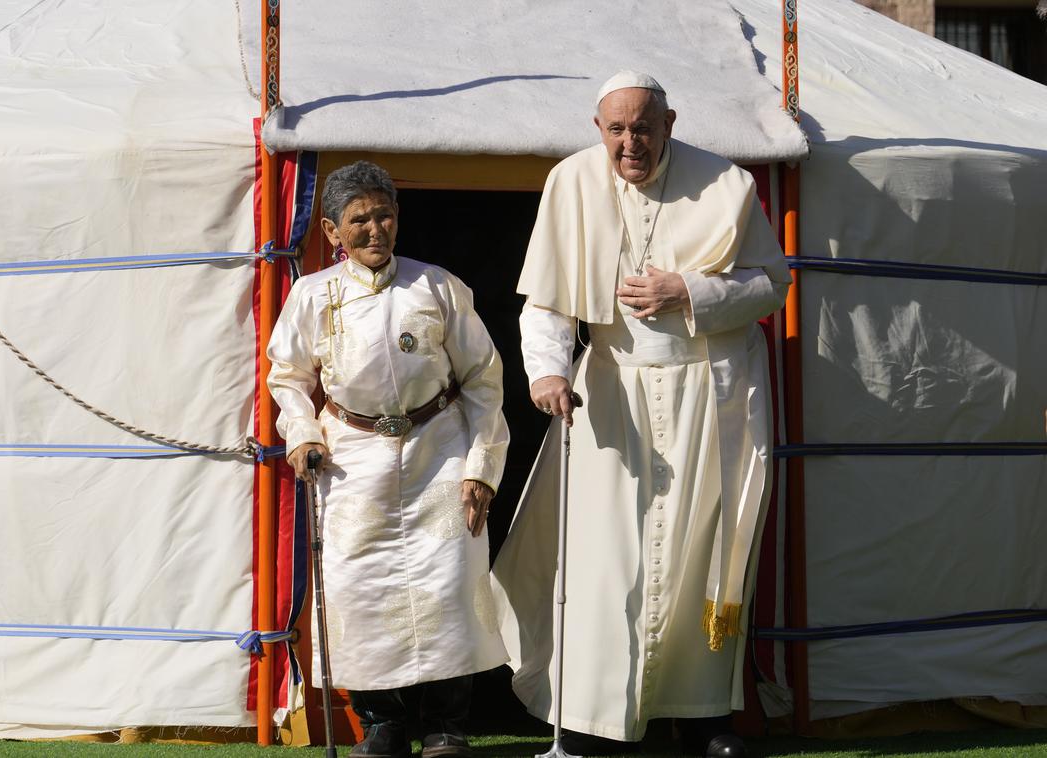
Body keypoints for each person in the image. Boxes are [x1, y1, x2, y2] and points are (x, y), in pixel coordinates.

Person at [490, 71, 791, 758]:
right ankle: (594, 716)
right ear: (599, 129)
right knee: (605, 559)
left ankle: (705, 716)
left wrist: (688, 288)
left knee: (697, 553)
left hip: (704, 393)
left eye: (644, 127)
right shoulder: (570, 183)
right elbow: (547, 302)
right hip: (610, 391)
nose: (631, 142)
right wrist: (547, 372)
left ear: (670, 122)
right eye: (617, 129)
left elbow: (772, 283)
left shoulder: (727, 185)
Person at [267, 161, 510, 758]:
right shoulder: (312, 295)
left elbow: (483, 377)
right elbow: (288, 376)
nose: (375, 228)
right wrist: (301, 433)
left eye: (384, 214)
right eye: (359, 219)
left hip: (439, 451)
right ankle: (383, 724)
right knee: (360, 589)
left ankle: (446, 726)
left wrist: (481, 464)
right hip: (352, 459)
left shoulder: (438, 287)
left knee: (449, 585)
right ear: (331, 231)